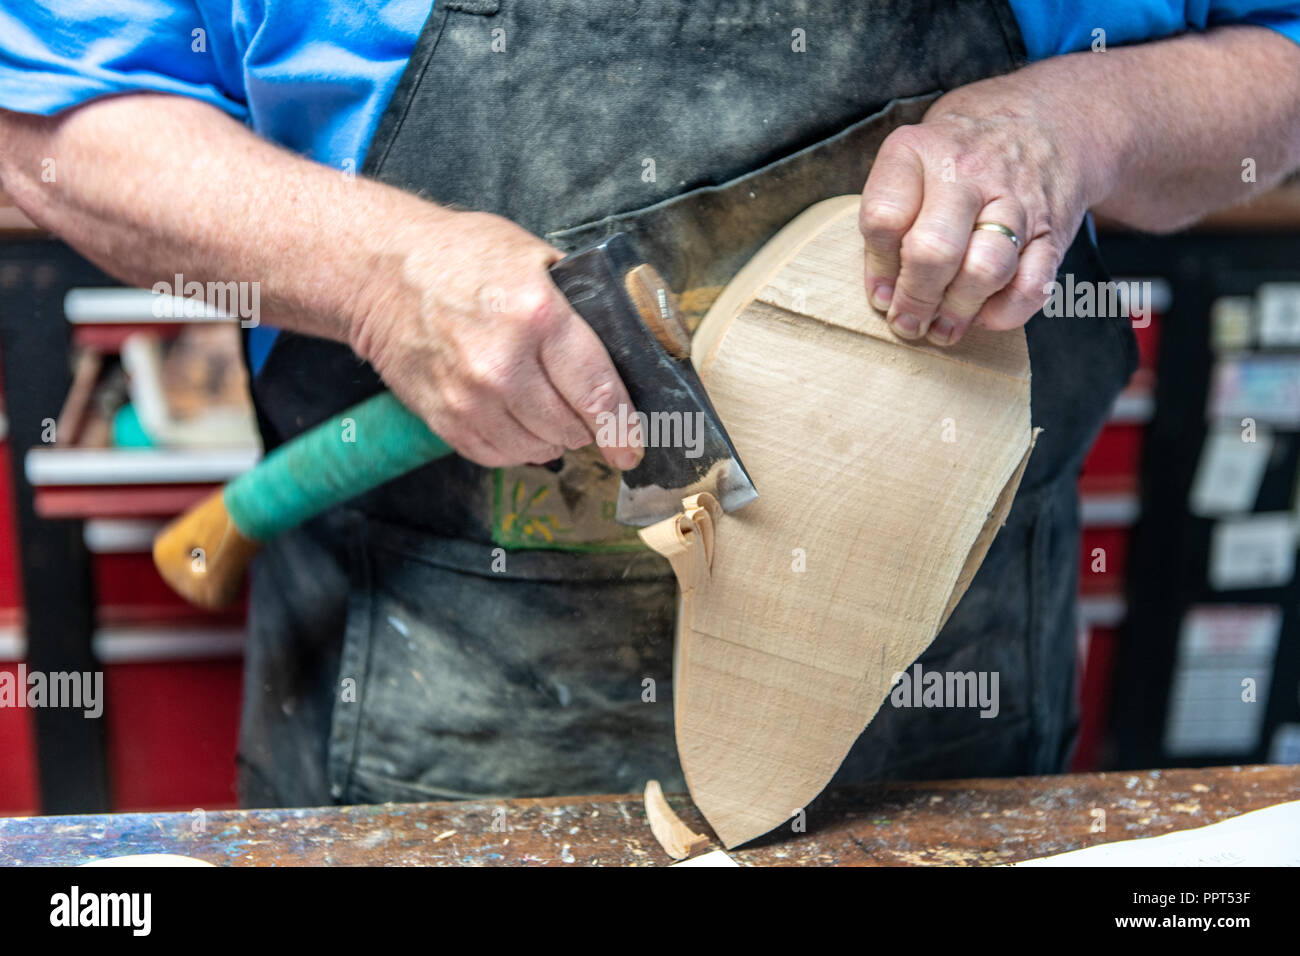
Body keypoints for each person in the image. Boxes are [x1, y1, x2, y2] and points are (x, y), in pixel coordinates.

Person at [1, 2, 1297, 809]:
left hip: (958, 674)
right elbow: (41, 120)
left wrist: (1080, 121)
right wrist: (382, 273)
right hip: (438, 695)